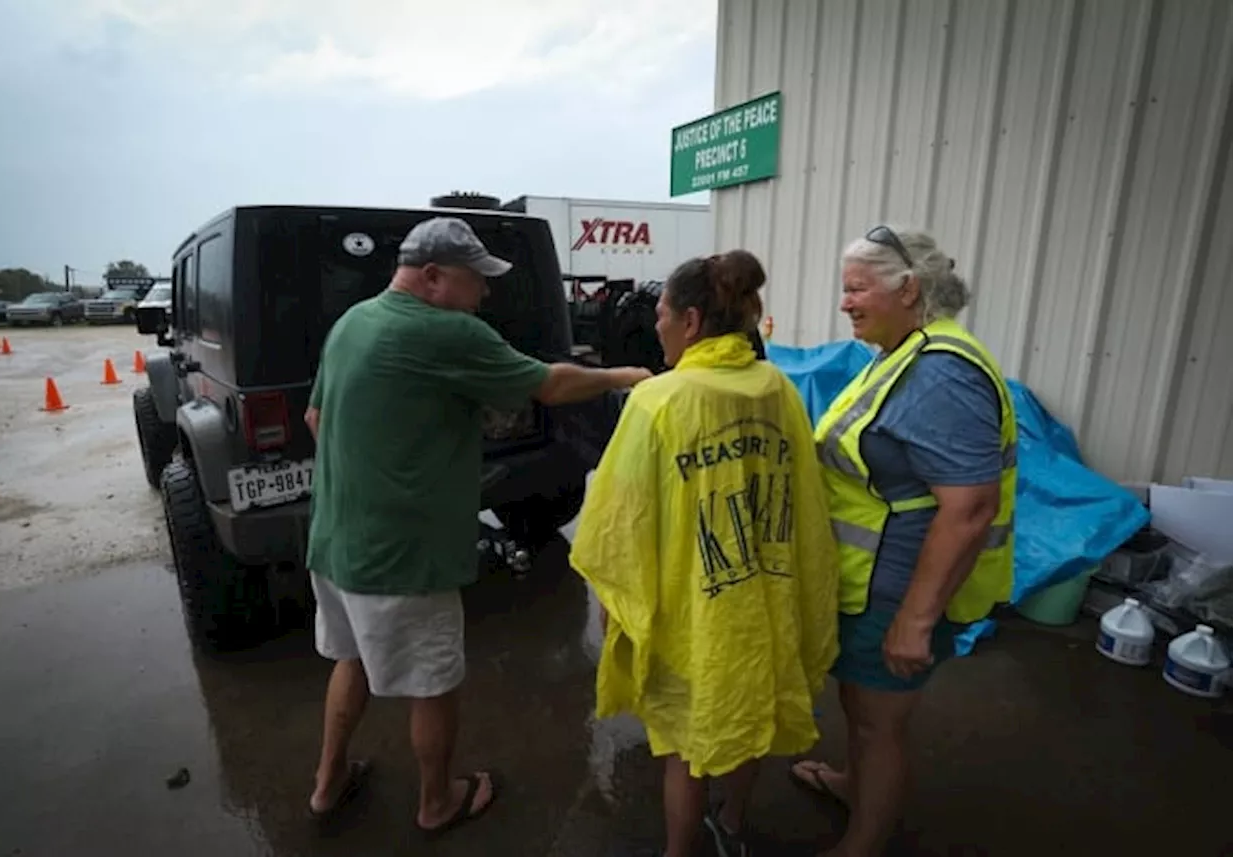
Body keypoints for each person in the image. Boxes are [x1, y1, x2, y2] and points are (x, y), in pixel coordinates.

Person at [301, 216, 652, 836]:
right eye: (475, 281)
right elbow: (549, 385)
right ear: (433, 277)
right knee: (434, 682)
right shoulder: (446, 331)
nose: (483, 295)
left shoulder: (352, 323)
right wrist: (626, 377)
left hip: (335, 540)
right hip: (405, 553)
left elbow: (314, 419)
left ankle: (328, 785)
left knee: (350, 659)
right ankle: (437, 802)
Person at [570, 250, 840, 857]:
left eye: (662, 314)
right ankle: (734, 828)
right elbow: (805, 503)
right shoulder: (779, 389)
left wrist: (618, 608)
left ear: (691, 322)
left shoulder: (660, 401)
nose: (656, 326)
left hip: (692, 613)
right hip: (765, 602)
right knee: (747, 727)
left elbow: (619, 524)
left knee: (688, 751)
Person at [788, 226, 1017, 857]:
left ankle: (862, 842)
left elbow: (969, 508)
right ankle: (849, 783)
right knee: (860, 711)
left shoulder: (942, 373)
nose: (845, 303)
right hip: (871, 576)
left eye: (856, 289)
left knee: (879, 724)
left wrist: (915, 620)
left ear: (908, 288)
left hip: (898, 584)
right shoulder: (903, 355)